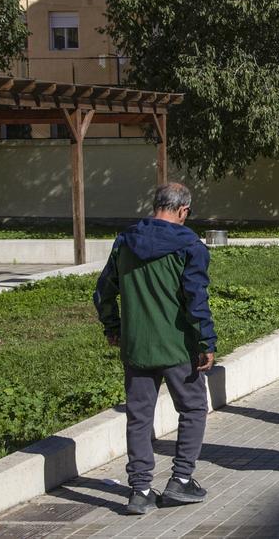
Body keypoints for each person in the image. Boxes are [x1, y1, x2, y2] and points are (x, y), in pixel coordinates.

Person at [94, 183, 217, 515]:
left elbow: (104, 291)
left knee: (139, 417)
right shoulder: (190, 246)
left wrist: (114, 328)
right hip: (179, 347)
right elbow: (196, 299)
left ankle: (139, 490)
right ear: (182, 211)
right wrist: (206, 342)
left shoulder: (125, 241)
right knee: (192, 410)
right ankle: (180, 480)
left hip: (137, 347)